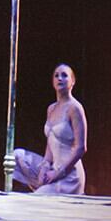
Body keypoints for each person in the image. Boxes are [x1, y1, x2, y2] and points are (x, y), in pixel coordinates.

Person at [12, 63, 87, 194]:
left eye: (64, 75)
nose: (60, 78)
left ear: (72, 81)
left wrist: (58, 173)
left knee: (35, 200)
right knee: (15, 156)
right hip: (53, 167)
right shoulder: (51, 108)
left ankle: (47, 189)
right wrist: (44, 166)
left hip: (70, 174)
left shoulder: (75, 108)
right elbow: (51, 141)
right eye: (56, 75)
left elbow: (81, 148)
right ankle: (43, 185)